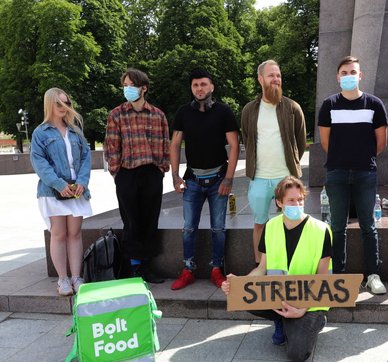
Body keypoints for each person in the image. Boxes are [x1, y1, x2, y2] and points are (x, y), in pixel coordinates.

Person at [221, 176, 331, 362]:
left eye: (300, 199)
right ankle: (282, 320)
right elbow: (262, 268)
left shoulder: (321, 230)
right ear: (279, 203)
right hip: (279, 295)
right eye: (291, 200)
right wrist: (238, 285)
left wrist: (303, 309)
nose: (297, 204)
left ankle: (313, 321)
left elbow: (324, 279)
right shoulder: (271, 227)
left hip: (310, 301)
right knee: (244, 297)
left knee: (296, 355)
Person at [318, 55, 388, 295]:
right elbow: (326, 141)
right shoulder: (329, 105)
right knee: (337, 226)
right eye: (344, 73)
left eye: (352, 72)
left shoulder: (374, 104)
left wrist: (360, 158)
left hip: (365, 173)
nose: (348, 76)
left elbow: (381, 142)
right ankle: (338, 277)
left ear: (360, 76)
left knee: (369, 226)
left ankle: (372, 276)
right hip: (336, 173)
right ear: (338, 77)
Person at [170, 68, 239, 290]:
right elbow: (174, 144)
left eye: (203, 84)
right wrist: (174, 175)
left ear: (212, 87)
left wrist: (228, 179)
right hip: (192, 180)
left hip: (218, 178)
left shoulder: (224, 111)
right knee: (188, 227)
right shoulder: (183, 112)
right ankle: (188, 269)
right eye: (195, 85)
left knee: (218, 228)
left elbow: (234, 145)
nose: (199, 89)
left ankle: (217, 269)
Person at [104, 68, 170, 283]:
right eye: (124, 85)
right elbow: (111, 145)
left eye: (131, 85)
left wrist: (161, 168)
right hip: (127, 173)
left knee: (150, 220)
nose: (127, 89)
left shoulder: (158, 115)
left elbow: (164, 143)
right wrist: (117, 171)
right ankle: (134, 268)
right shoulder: (117, 114)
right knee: (131, 221)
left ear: (144, 88)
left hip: (151, 172)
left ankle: (148, 267)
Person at [241, 60, 307, 265]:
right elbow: (247, 138)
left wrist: (292, 164)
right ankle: (259, 266)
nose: (276, 79)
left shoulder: (292, 107)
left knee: (292, 223)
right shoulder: (249, 110)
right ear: (260, 79)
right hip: (259, 178)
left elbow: (301, 140)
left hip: (286, 177)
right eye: (271, 76)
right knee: (260, 223)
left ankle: (292, 264)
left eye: (278, 75)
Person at [30, 88, 92, 296]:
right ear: (50, 105)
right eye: (59, 104)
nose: (64, 108)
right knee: (59, 234)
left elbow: (86, 157)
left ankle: (77, 277)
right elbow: (39, 162)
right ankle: (63, 280)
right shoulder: (41, 132)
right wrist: (58, 184)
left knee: (75, 234)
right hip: (52, 190)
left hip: (76, 189)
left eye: (67, 103)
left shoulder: (75, 131)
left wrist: (82, 181)